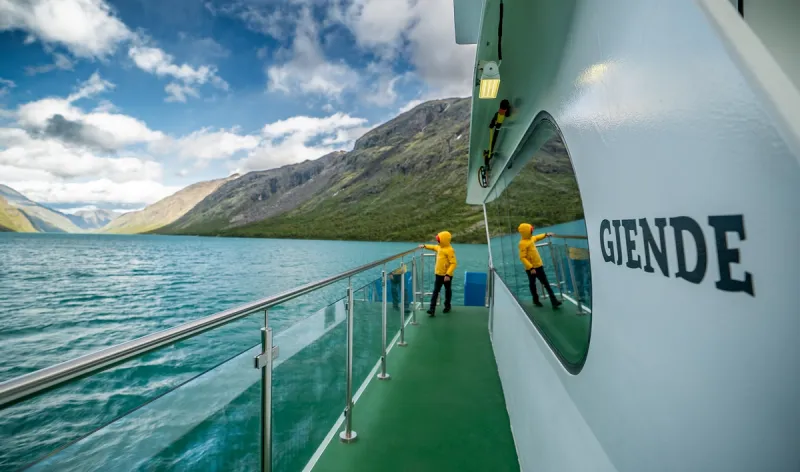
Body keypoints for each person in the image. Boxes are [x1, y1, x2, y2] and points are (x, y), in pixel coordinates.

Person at [518, 223, 562, 308]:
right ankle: (536, 300)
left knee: (546, 283)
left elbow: (537, 237)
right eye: (531, 230)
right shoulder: (522, 243)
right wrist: (531, 268)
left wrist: (545, 234)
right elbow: (522, 257)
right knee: (533, 284)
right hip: (531, 268)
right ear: (526, 232)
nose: (532, 231)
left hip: (538, 266)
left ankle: (554, 301)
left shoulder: (530, 239)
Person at [418, 231, 457, 316]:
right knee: (435, 291)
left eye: (438, 240)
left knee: (447, 290)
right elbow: (433, 247)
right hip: (438, 274)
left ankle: (447, 306)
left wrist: (447, 274)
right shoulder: (439, 247)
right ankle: (432, 309)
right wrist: (424, 246)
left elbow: (453, 263)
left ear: (443, 240)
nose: (437, 242)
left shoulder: (450, 250)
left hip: (447, 275)